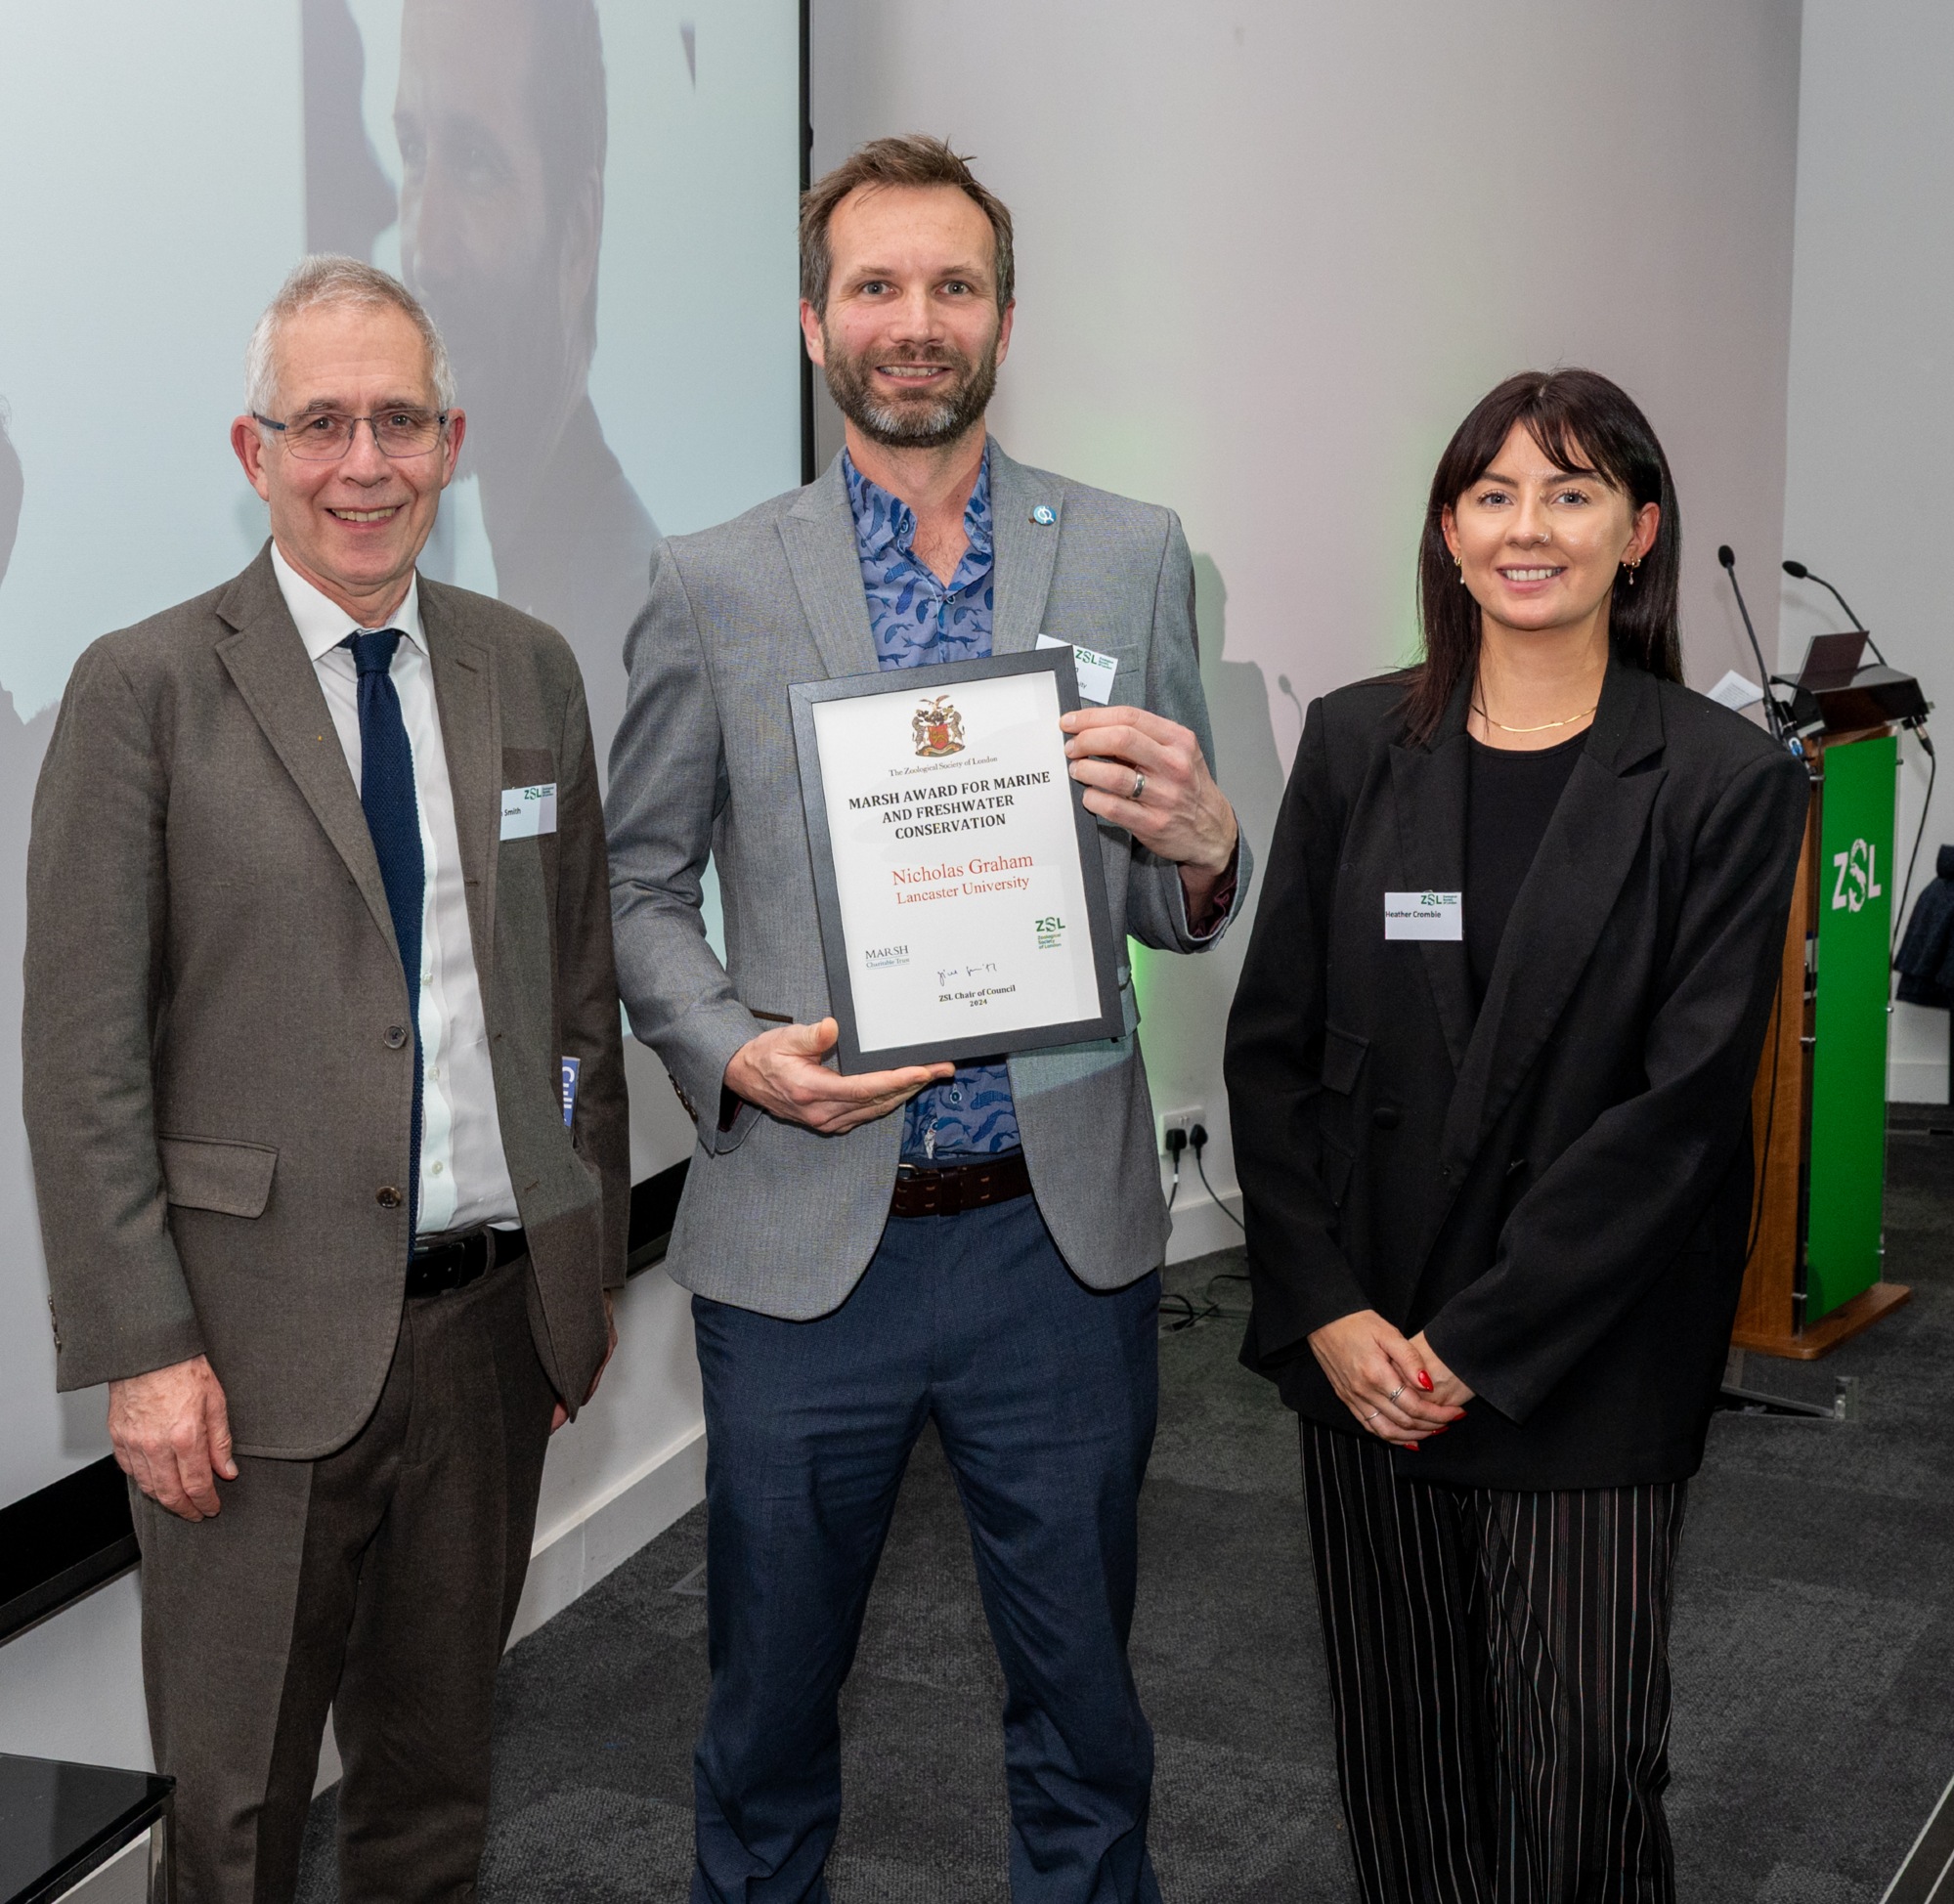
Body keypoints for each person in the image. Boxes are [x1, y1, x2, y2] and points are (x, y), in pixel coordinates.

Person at [606, 135, 1248, 1903]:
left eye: (951, 286)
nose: (915, 321)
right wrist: (730, 1051)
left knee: (1085, 1712)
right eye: (875, 286)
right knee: (764, 1717)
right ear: (815, 324)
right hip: (806, 1245)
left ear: (1003, 320)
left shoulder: (1127, 552)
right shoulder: (712, 580)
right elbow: (637, 889)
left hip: (1053, 1243)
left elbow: (1159, 890)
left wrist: (1206, 851)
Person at [22, 255, 629, 1904]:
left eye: (400, 422)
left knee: (434, 1797)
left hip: (487, 1338)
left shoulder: (527, 668)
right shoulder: (145, 688)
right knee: (234, 1825)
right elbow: (81, 1059)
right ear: (254, 451)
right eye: (322, 424)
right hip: (245, 1361)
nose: (364, 463)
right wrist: (144, 1351)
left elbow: (574, 997)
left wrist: (573, 1265)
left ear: (452, 443)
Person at [1225, 368, 1809, 1903]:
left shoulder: (1721, 781)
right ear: (1447, 529)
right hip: (1367, 1338)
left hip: (1582, 1348)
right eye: (1490, 494)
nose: (1524, 527)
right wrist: (1324, 1307)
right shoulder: (1353, 742)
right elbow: (1272, 1046)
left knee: (1583, 1771)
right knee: (1404, 1758)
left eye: (1568, 492)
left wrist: (1476, 1343)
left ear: (1638, 532)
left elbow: (1679, 1115)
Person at [393, 0, 659, 747]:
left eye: (476, 164)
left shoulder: (631, 620)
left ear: (578, 233)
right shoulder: (492, 564)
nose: (423, 252)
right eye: (413, 149)